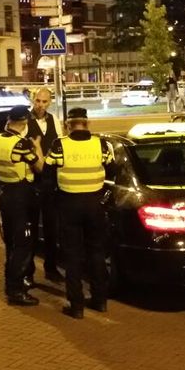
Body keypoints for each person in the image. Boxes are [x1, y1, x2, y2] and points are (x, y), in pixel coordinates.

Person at [44, 107, 115, 319]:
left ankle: (76, 305)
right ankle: (99, 300)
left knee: (72, 255)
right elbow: (112, 171)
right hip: (95, 204)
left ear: (68, 125)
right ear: (87, 123)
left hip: (69, 204)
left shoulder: (59, 145)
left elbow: (48, 176)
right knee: (96, 253)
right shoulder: (101, 144)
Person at [0, 105, 43, 307]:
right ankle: (16, 290)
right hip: (22, 195)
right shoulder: (21, 144)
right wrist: (36, 146)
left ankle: (11, 283)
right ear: (24, 123)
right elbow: (40, 167)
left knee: (11, 243)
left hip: (5, 193)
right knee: (23, 245)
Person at [25, 88, 64, 284]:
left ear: (50, 102)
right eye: (38, 101)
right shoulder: (25, 121)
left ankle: (51, 267)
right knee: (30, 228)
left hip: (50, 182)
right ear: (33, 100)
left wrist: (47, 159)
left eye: (45, 102)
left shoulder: (54, 120)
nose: (41, 105)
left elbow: (58, 143)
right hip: (32, 182)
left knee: (51, 228)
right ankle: (28, 271)